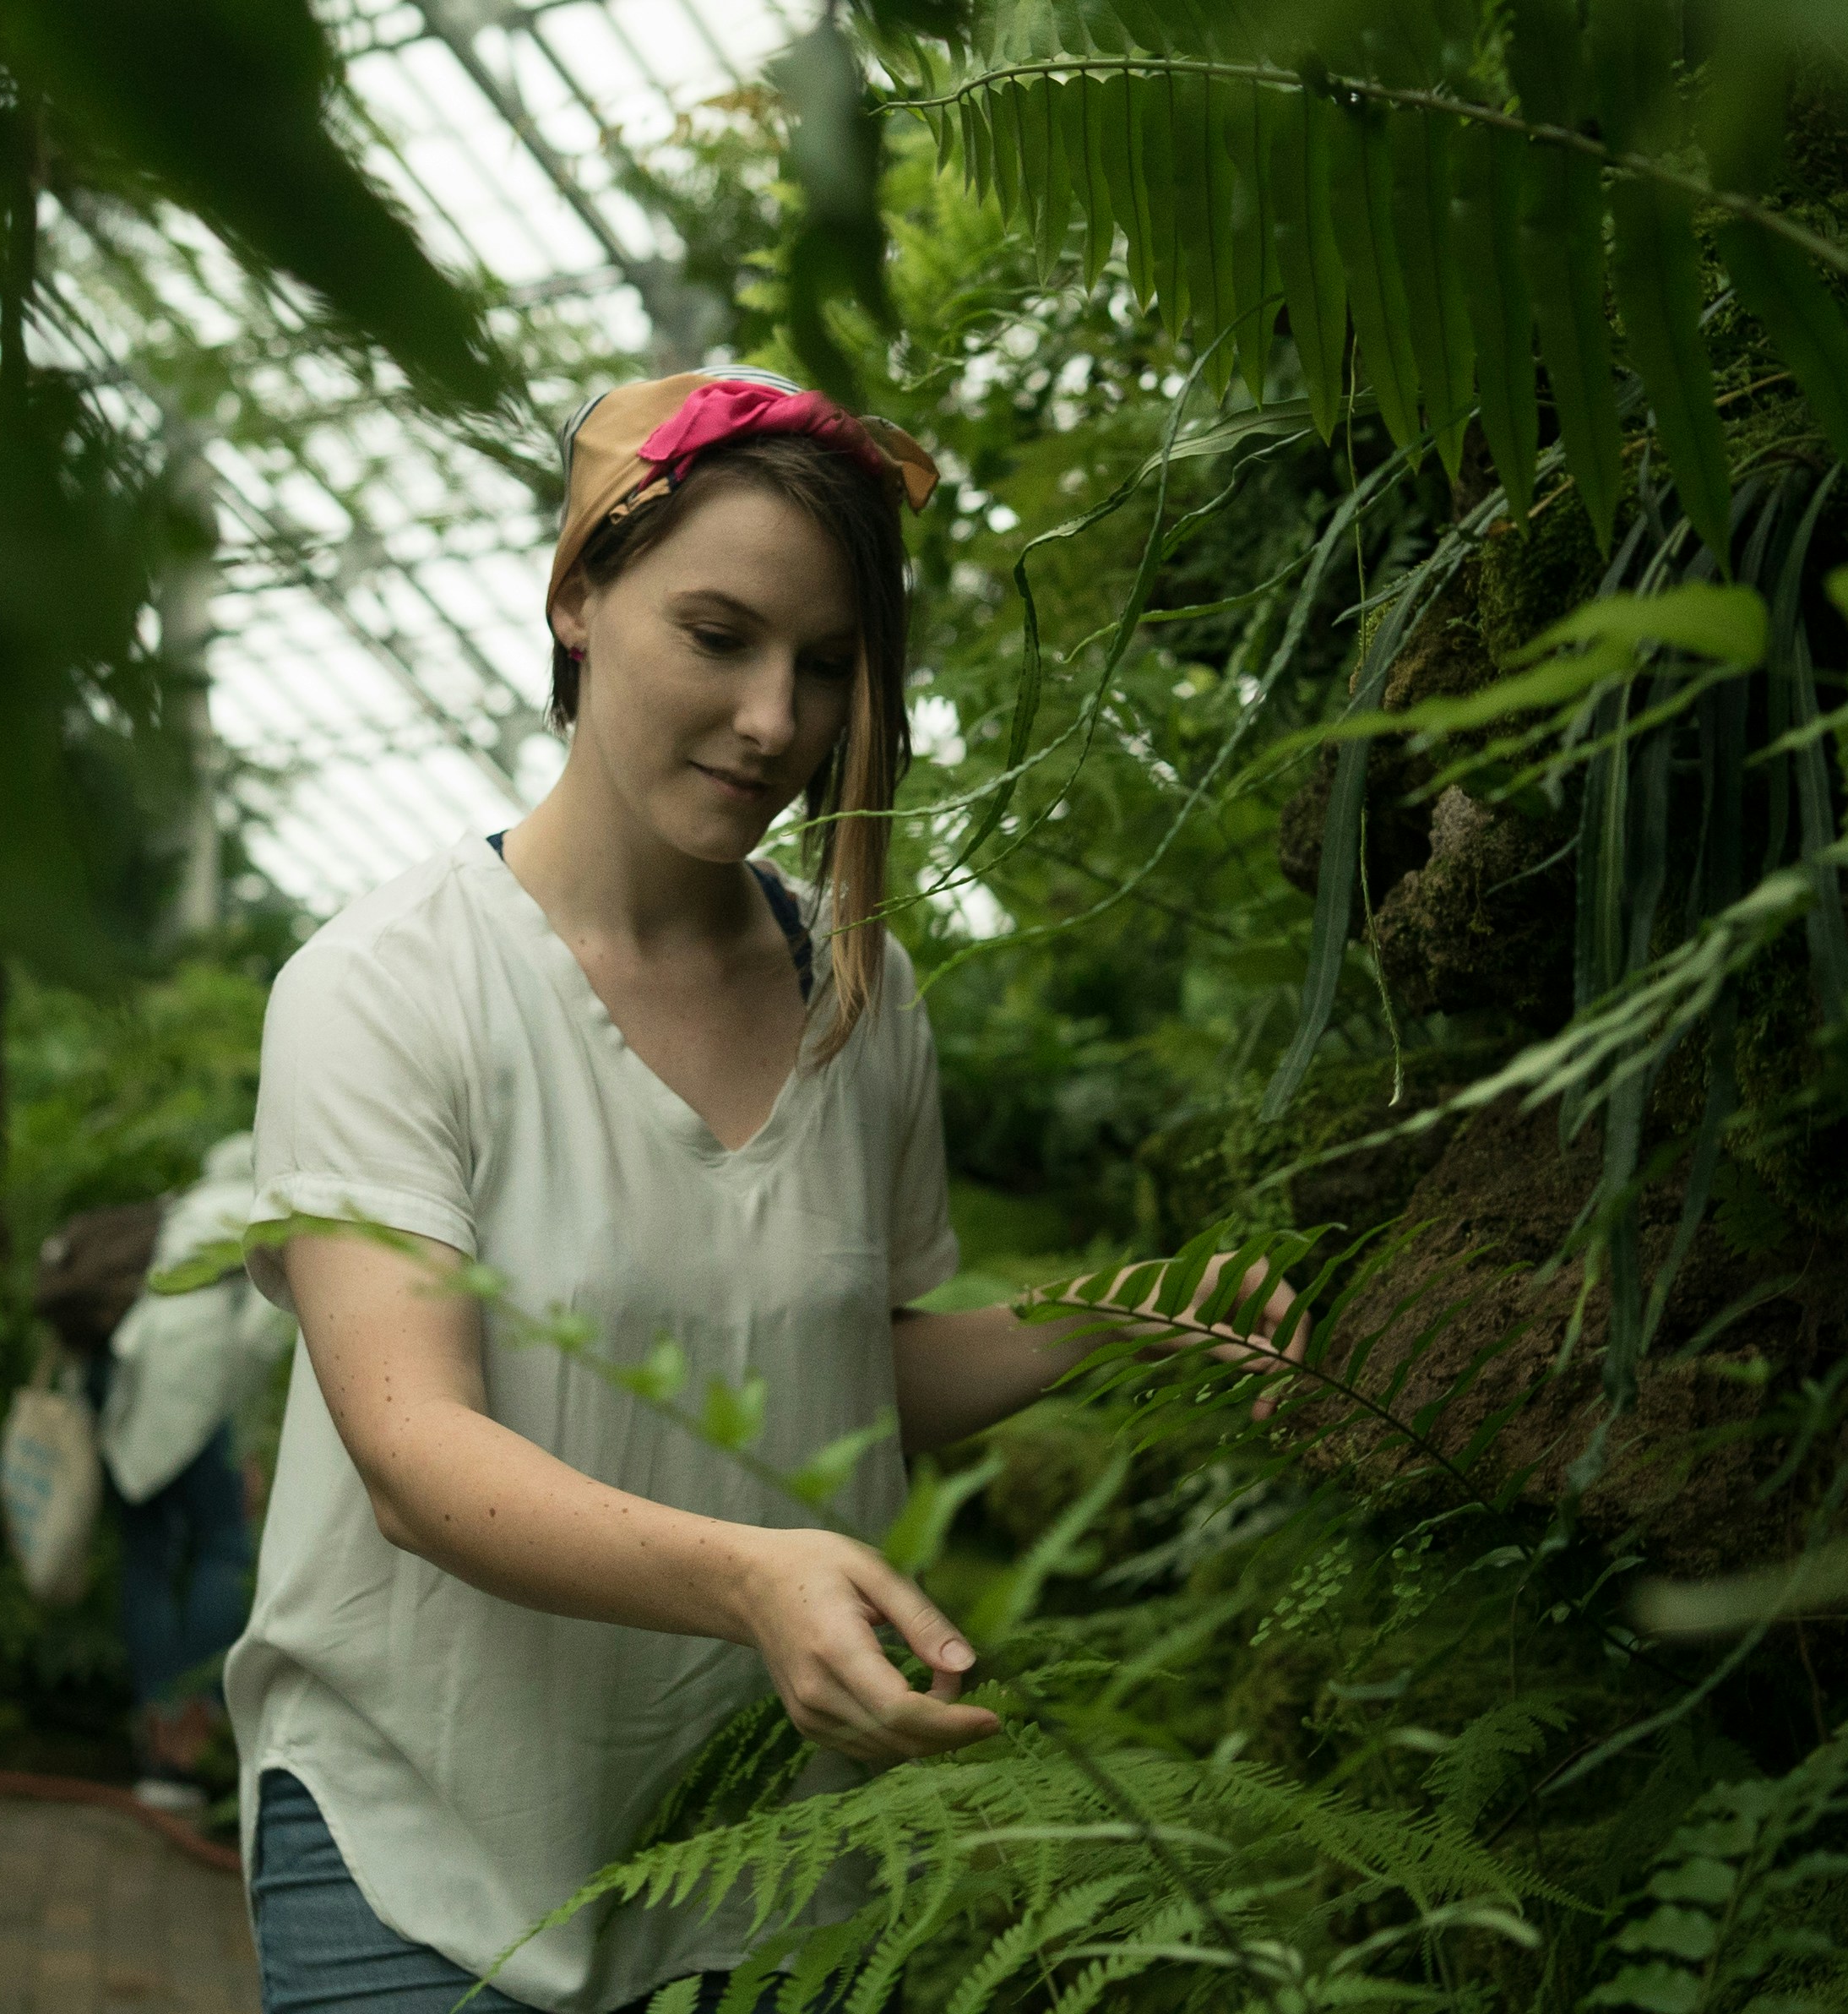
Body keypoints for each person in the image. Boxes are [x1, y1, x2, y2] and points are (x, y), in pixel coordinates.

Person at [227, 367, 1290, 2014]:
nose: (773, 723)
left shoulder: (861, 996)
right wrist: (753, 1571)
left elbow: (843, 1366)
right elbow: (413, 1456)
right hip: (418, 1858)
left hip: (757, 1880)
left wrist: (1121, 1319)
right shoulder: (388, 985)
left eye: (826, 668)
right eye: (717, 638)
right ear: (577, 593)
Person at [31, 1149, 291, 1815]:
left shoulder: (180, 1209)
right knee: (224, 1549)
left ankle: (157, 1747)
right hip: (195, 1402)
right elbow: (262, 1339)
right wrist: (251, 1438)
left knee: (147, 1563)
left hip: (123, 1390)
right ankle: (189, 1747)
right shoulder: (267, 1214)